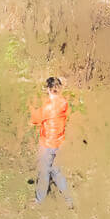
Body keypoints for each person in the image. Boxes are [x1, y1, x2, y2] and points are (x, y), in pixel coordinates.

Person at [29, 75, 75, 209]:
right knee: (56, 171)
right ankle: (68, 200)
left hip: (47, 143)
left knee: (44, 172)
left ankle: (39, 201)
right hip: (59, 142)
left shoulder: (48, 107)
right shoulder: (64, 103)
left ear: (48, 89)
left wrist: (31, 108)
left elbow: (35, 119)